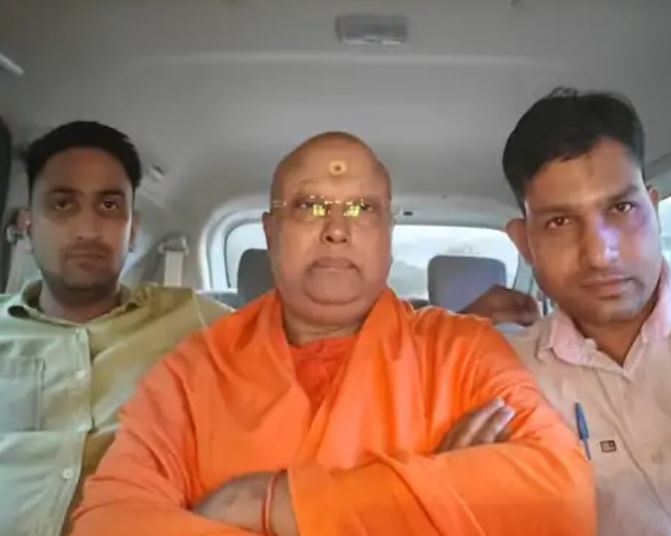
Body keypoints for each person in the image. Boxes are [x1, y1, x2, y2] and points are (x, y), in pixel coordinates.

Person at [71, 132, 595, 536]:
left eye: (363, 209)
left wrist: (266, 503)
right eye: (310, 206)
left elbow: (562, 499)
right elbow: (108, 522)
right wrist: (431, 507)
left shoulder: (462, 350)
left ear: (388, 233)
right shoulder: (193, 369)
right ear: (270, 231)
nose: (337, 229)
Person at [468, 89, 671, 535]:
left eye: (622, 208)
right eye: (560, 222)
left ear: (654, 209)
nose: (600, 254)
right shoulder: (505, 377)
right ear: (525, 243)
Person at [0, 121, 230, 536]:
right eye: (63, 204)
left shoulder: (194, 320)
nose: (88, 230)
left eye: (108, 206)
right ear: (28, 226)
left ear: (132, 230)